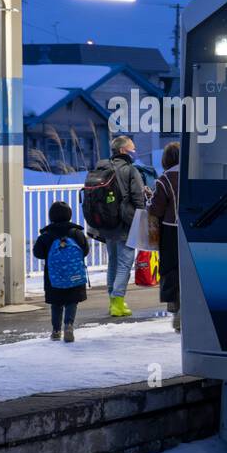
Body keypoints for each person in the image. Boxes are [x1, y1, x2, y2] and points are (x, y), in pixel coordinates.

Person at [87, 135, 147, 317]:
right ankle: (118, 301)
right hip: (124, 223)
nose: (135, 152)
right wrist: (141, 219)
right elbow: (138, 198)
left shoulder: (102, 167)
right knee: (125, 263)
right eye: (132, 148)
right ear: (123, 151)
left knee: (113, 261)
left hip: (105, 224)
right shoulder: (130, 170)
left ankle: (113, 300)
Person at [32, 201, 90, 342]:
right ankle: (69, 325)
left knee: (56, 303)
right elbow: (85, 250)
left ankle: (56, 330)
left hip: (53, 276)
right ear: (69, 215)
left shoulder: (46, 235)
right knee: (72, 301)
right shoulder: (76, 233)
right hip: (74, 275)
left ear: (51, 216)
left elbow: (37, 253)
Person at [148, 141, 181, 332]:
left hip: (170, 229)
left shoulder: (165, 179)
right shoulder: (192, 174)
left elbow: (156, 208)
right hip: (194, 227)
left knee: (171, 268)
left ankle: (176, 309)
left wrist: (148, 201)